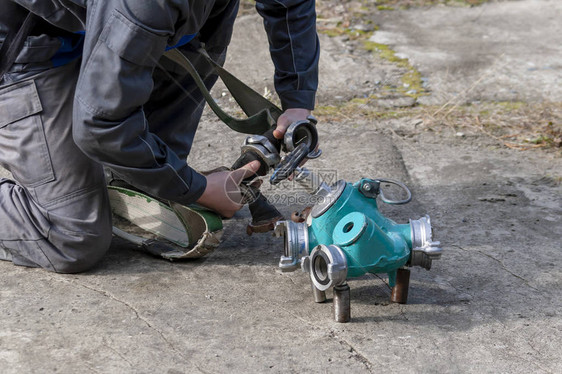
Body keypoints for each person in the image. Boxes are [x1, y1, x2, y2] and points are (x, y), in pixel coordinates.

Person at [0, 0, 320, 273]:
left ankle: (124, 170)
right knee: (72, 234)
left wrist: (297, 100)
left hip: (118, 26)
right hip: (28, 49)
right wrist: (200, 188)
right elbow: (100, 125)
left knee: (150, 185)